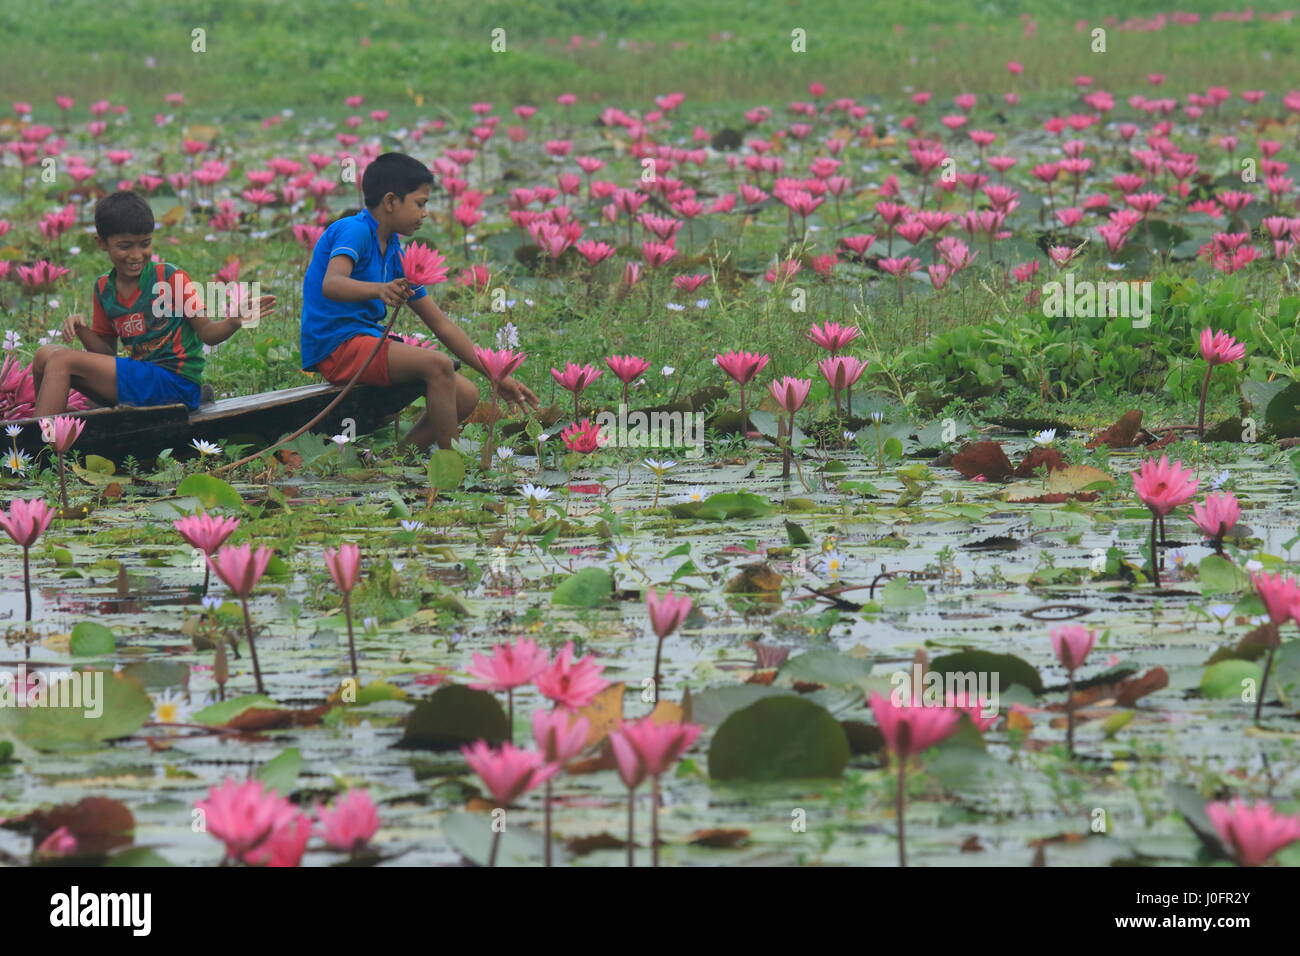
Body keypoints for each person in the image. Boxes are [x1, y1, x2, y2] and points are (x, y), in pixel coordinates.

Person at [300, 151, 538, 451]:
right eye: (420, 203)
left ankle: (399, 457)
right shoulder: (355, 230)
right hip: (336, 346)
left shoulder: (397, 251)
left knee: (465, 395)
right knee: (438, 365)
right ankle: (453, 466)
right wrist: (378, 289)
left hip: (366, 341)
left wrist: (493, 374)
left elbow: (440, 324)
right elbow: (332, 284)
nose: (424, 213)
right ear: (390, 202)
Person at [31, 190, 276, 417]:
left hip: (176, 383)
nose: (137, 255)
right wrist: (82, 331)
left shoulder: (169, 277)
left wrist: (234, 321)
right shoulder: (104, 287)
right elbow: (105, 355)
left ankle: (38, 445)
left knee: (62, 360)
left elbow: (208, 334)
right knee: (45, 354)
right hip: (138, 378)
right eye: (125, 246)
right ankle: (50, 429)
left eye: (145, 243)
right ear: (102, 243)